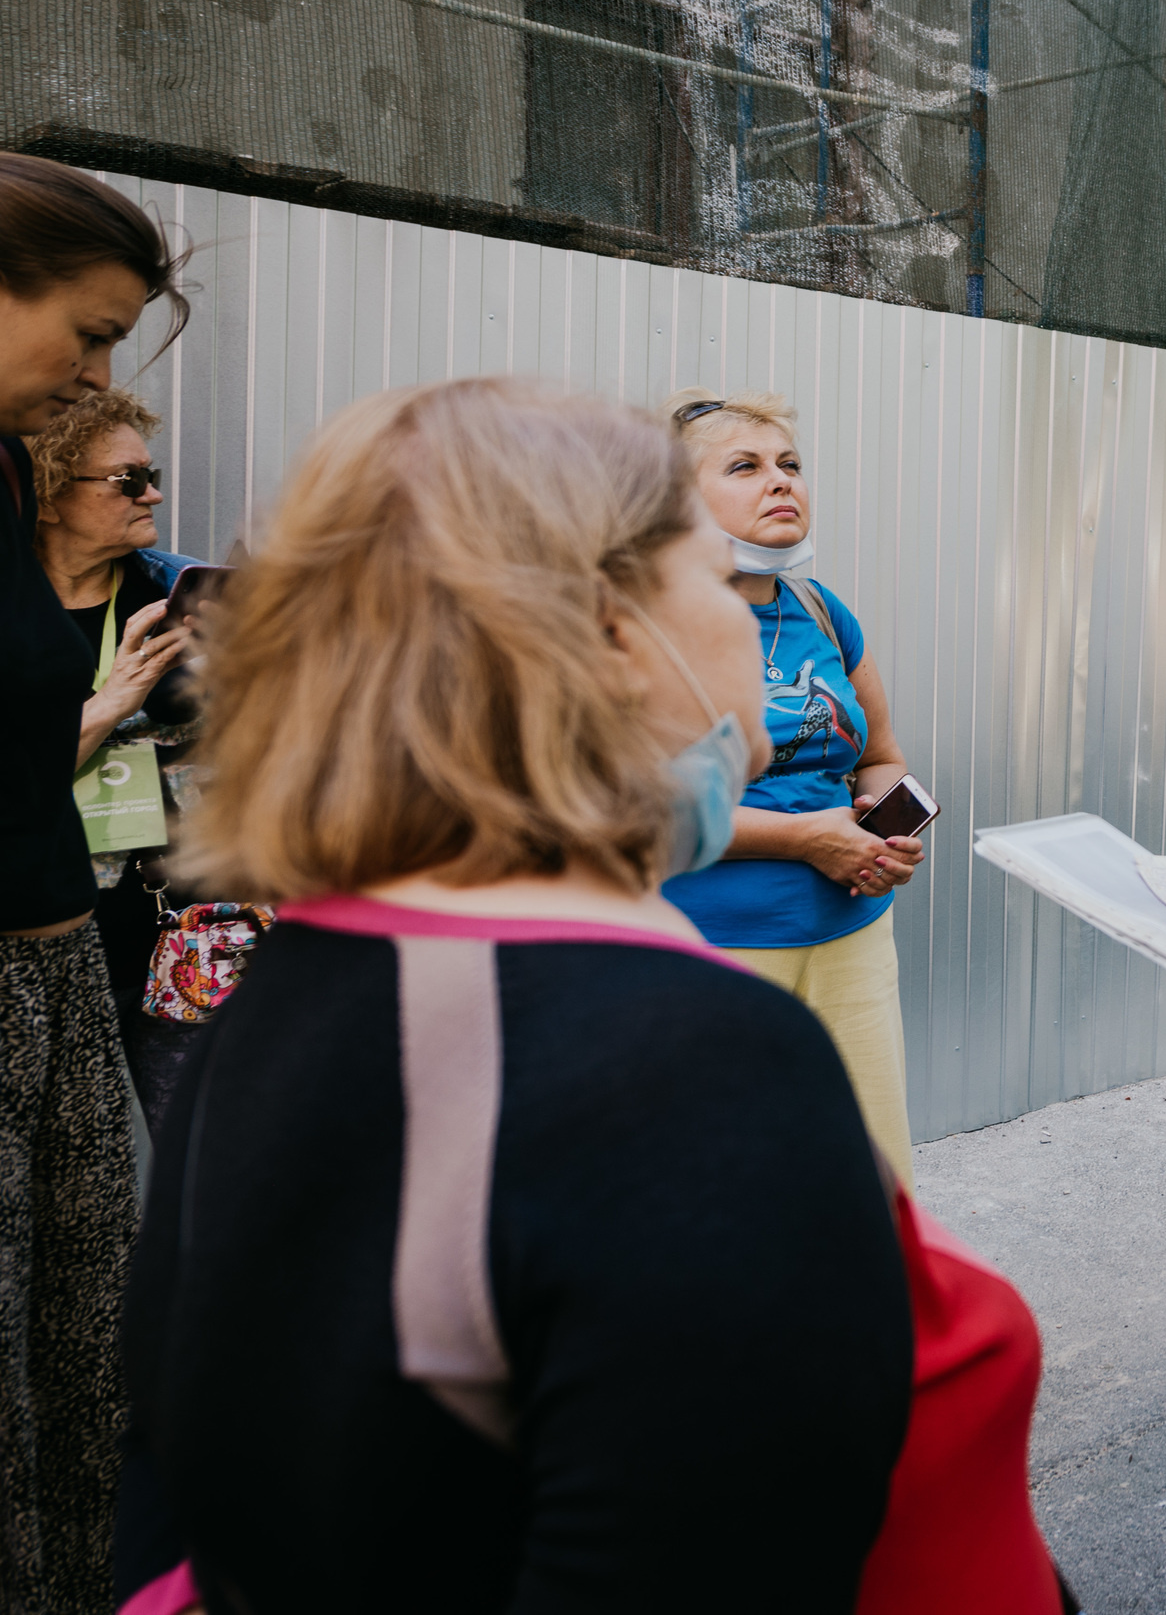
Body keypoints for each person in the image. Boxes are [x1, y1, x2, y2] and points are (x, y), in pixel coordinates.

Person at [117, 379, 1067, 1615]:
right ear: (619, 641)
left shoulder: (313, 974)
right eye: (706, 572)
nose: (743, 602)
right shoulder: (691, 1060)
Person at [0, 151, 186, 1615]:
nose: (97, 369)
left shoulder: (5, 466)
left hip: (64, 951)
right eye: (91, 329)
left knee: (79, 1338)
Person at [658, 388, 925, 1182]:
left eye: (791, 465)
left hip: (853, 935)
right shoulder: (645, 624)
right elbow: (637, 804)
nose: (782, 482)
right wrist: (810, 839)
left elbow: (880, 753)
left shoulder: (820, 607)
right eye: (745, 466)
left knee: (873, 1181)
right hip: (714, 946)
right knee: (727, 1191)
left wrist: (883, 826)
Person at [30, 388, 210, 1133]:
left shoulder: (185, 593)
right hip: (45, 932)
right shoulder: (14, 616)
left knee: (214, 1154)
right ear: (47, 493)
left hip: (188, 927)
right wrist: (114, 699)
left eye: (152, 471)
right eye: (128, 479)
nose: (155, 493)